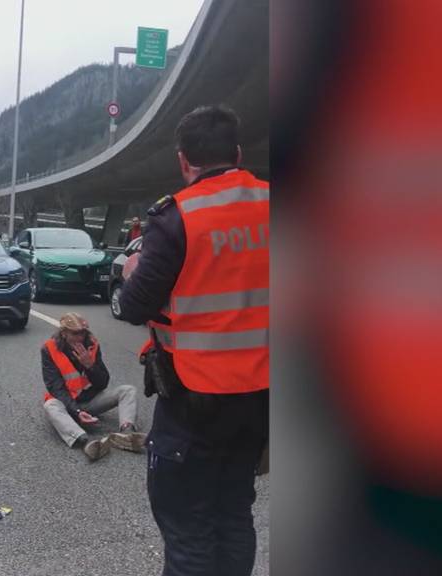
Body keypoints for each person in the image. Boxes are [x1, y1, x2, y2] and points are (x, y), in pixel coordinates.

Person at [119, 105, 270, 576]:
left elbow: (134, 306)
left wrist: (130, 275)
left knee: (189, 532)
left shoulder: (176, 216)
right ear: (239, 153)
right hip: (261, 400)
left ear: (185, 161)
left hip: (194, 401)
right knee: (232, 517)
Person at [41, 312, 147, 462]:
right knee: (50, 406)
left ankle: (127, 432)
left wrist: (90, 366)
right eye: (75, 333)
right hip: (66, 404)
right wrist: (76, 411)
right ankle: (84, 441)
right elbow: (55, 388)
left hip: (90, 400)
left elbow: (103, 383)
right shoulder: (49, 349)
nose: (80, 337)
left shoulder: (92, 344)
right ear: (64, 333)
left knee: (127, 390)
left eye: (82, 333)